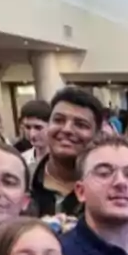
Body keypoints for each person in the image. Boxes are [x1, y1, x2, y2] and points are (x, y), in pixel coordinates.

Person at [29, 88, 106, 217]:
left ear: (97, 135)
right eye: (59, 120)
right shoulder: (24, 181)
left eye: (80, 125)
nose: (67, 129)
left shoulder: (107, 188)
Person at [14, 100, 52, 165]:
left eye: (38, 128)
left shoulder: (63, 160)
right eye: (27, 127)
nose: (32, 134)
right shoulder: (21, 161)